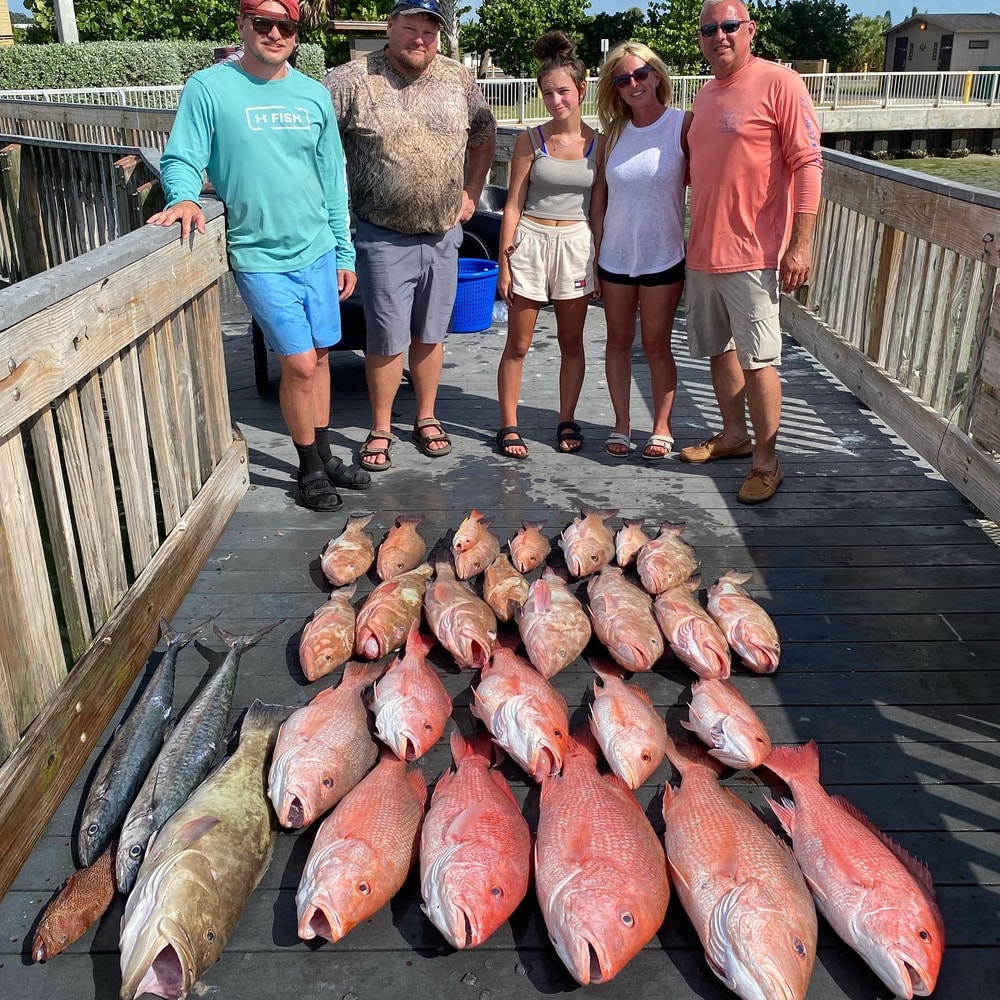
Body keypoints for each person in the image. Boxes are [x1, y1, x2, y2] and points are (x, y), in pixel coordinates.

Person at [149, 0, 366, 512]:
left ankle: (327, 453)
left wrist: (344, 250)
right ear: (244, 25)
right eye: (262, 22)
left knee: (321, 356)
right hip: (258, 253)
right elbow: (183, 155)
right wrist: (181, 195)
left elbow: (332, 179)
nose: (274, 32)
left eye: (285, 24)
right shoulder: (209, 87)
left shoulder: (313, 95)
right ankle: (308, 466)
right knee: (299, 363)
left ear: (296, 31)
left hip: (317, 249)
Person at [325, 0, 497, 471]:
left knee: (431, 332)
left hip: (444, 234)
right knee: (385, 336)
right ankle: (381, 427)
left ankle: (426, 416)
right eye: (410, 27)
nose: (419, 38)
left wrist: (472, 190)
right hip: (381, 235)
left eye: (429, 30)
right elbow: (312, 142)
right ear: (390, 27)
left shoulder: (458, 78)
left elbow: (485, 133)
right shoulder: (350, 80)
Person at [678, 0, 823, 504]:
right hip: (704, 252)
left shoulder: (780, 82)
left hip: (756, 254)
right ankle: (734, 437)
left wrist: (800, 244)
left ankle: (767, 460)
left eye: (729, 26)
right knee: (718, 351)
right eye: (709, 29)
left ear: (749, 31)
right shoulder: (705, 93)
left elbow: (807, 164)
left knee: (760, 360)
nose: (719, 35)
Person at [494, 31, 601, 460]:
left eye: (563, 92)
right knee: (517, 344)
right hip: (531, 243)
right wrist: (505, 263)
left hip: (576, 244)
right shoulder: (529, 141)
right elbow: (513, 205)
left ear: (581, 90)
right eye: (548, 93)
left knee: (571, 341)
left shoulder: (600, 144)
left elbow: (600, 210)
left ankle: (566, 418)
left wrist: (601, 263)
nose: (556, 101)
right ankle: (508, 424)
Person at [590, 41, 691, 461]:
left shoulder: (683, 125)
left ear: (657, 76)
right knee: (617, 340)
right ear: (614, 88)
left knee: (656, 344)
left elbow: (710, 184)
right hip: (614, 257)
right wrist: (594, 255)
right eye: (622, 78)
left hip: (663, 256)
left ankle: (662, 426)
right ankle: (621, 424)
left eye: (640, 74)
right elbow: (599, 199)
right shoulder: (612, 134)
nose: (633, 83)